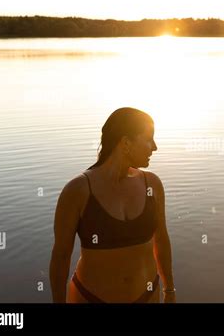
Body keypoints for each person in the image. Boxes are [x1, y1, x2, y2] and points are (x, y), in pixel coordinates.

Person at [49, 107, 175, 303]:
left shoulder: (152, 185)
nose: (155, 147)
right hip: (91, 298)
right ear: (126, 143)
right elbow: (61, 257)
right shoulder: (78, 191)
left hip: (147, 297)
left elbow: (161, 241)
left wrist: (170, 291)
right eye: (149, 139)